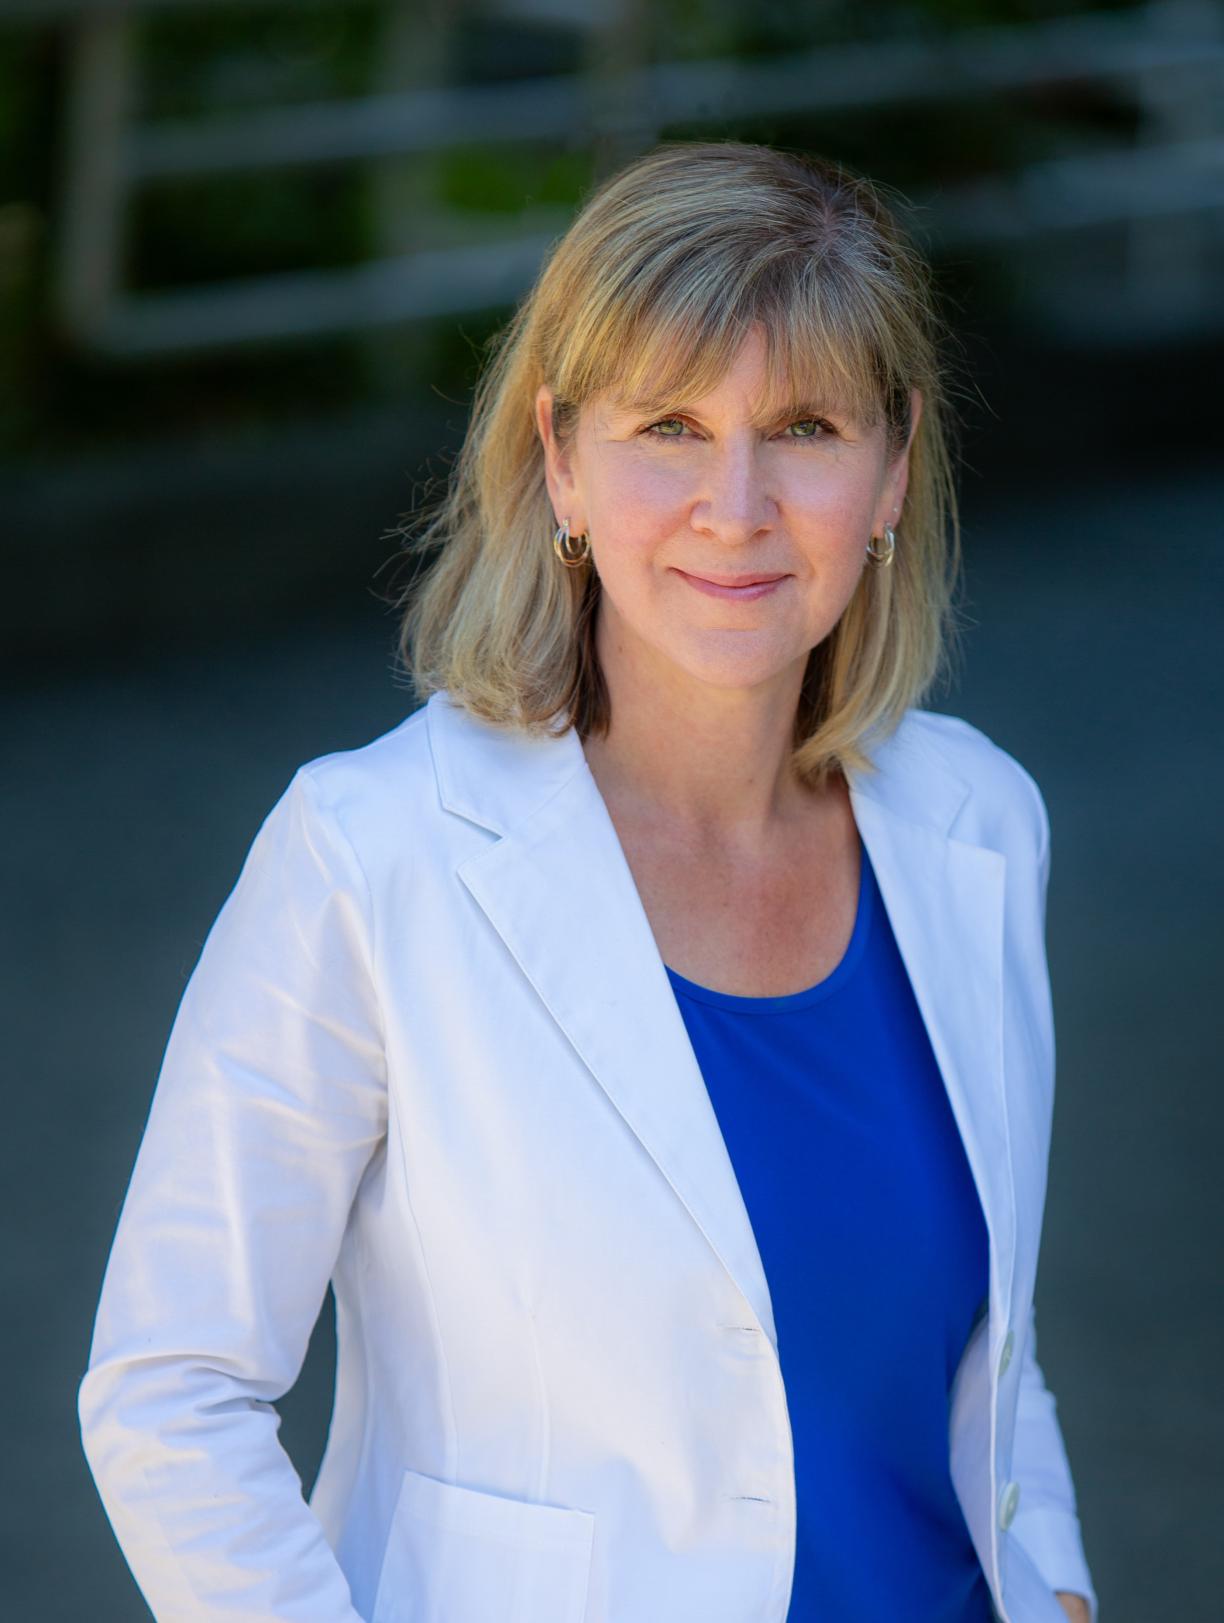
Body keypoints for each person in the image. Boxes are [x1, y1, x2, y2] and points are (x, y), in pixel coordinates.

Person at [79, 141, 1097, 1623]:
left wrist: (1056, 1586)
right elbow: (171, 1394)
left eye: (805, 425)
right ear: (560, 457)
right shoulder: (373, 856)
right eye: (669, 427)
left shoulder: (980, 825)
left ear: (891, 468)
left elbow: (989, 1346)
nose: (735, 503)